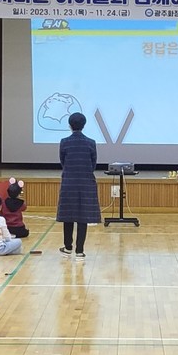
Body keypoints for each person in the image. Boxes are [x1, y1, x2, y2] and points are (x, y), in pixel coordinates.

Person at [57, 112, 101, 261]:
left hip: (69, 182)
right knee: (83, 217)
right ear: (84, 125)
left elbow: (63, 162)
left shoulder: (64, 142)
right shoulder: (91, 143)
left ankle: (67, 247)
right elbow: (93, 164)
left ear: (70, 125)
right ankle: (80, 251)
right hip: (86, 182)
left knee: (68, 216)